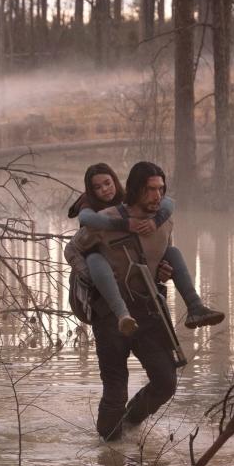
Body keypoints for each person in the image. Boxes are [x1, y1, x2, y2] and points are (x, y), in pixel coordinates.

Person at [69, 162, 188, 441]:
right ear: (136, 190)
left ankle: (131, 424)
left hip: (149, 310)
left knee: (166, 382)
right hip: (110, 315)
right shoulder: (104, 218)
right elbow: (73, 249)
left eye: (160, 189)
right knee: (115, 390)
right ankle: (109, 449)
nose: (156, 196)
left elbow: (162, 256)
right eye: (150, 190)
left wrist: (164, 271)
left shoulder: (164, 218)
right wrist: (91, 276)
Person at [65, 163, 223, 335]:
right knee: (94, 259)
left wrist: (156, 223)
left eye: (108, 183)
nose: (104, 190)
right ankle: (122, 314)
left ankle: (195, 306)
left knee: (173, 252)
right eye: (97, 187)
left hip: (143, 292)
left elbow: (169, 204)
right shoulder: (89, 206)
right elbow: (85, 222)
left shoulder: (137, 202)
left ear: (116, 181)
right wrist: (124, 224)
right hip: (100, 275)